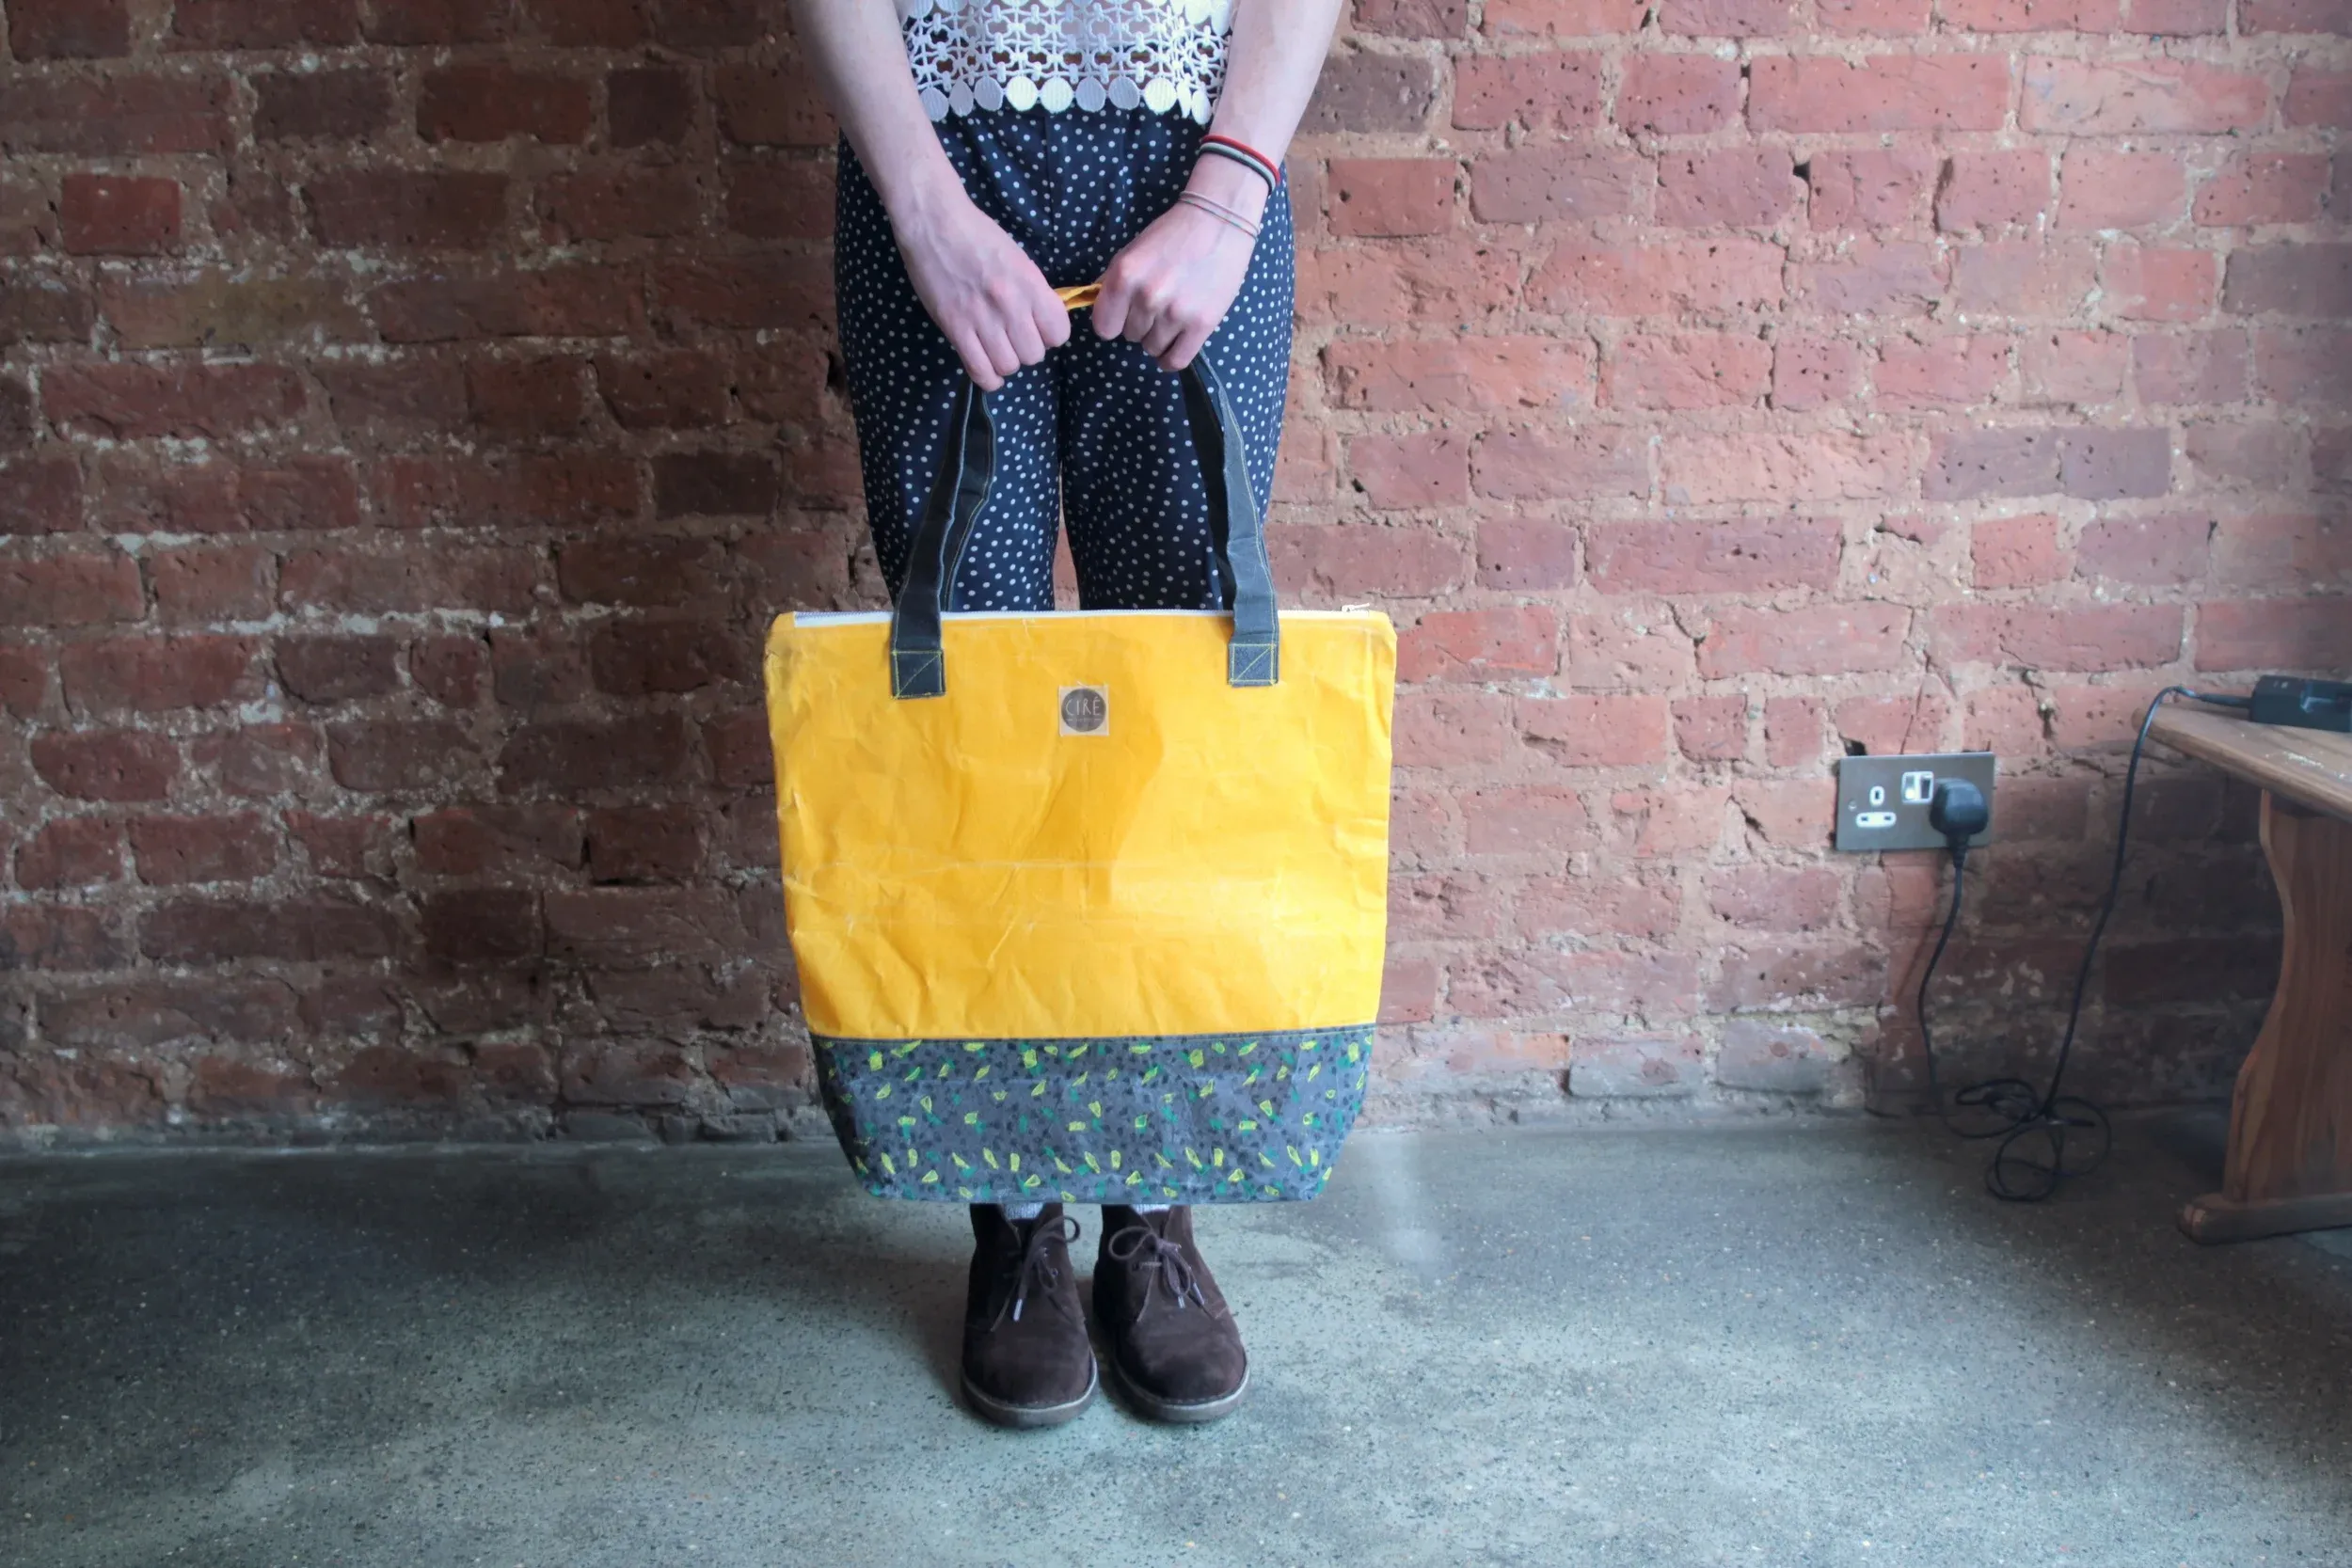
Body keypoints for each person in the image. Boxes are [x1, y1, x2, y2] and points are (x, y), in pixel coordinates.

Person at [787, 0, 1344, 1427]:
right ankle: (1014, 1209)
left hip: (1197, 150)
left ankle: (1153, 1205)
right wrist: (922, 210)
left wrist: (1230, 192)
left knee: (1176, 704)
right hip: (939, 150)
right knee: (977, 708)